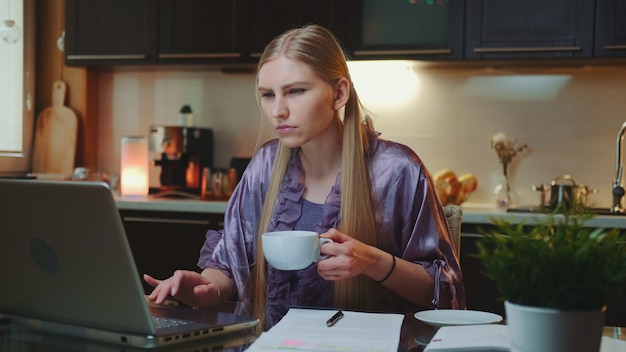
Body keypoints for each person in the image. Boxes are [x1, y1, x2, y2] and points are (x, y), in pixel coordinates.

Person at [144, 24, 465, 318]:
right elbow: (228, 265)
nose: (278, 111)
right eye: (268, 95)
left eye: (295, 91)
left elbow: (443, 292)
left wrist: (372, 262)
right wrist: (206, 288)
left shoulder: (398, 171)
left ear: (339, 94)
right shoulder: (265, 166)